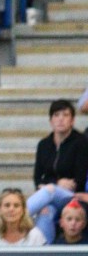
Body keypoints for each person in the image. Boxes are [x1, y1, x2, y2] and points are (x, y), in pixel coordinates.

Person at [26, 99, 88, 243]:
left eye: (65, 115)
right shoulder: (43, 145)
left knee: (50, 190)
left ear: (72, 120)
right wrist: (57, 182)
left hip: (72, 195)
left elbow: (78, 181)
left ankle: (15, 218)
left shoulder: (81, 143)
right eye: (56, 115)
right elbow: (37, 178)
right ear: (50, 120)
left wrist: (50, 185)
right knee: (45, 212)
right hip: (51, 196)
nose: (60, 119)